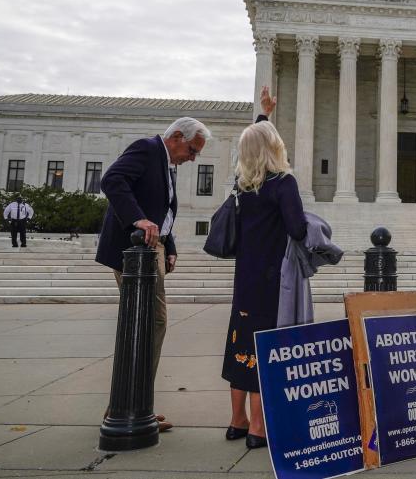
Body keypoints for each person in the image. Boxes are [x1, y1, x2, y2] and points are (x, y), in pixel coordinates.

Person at [96, 116, 210, 433]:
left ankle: (136, 404)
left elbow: (163, 210)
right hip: (132, 254)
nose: (193, 157)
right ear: (175, 136)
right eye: (192, 149)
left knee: (151, 324)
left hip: (151, 251)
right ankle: (127, 407)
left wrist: (168, 244)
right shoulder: (146, 149)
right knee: (148, 324)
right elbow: (112, 181)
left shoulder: (165, 163)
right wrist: (138, 221)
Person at [222, 89, 307, 450]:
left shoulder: (241, 185)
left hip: (245, 278)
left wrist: (263, 117)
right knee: (265, 348)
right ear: (276, 148)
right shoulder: (283, 184)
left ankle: (236, 420)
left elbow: (255, 145)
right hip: (273, 281)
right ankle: (259, 427)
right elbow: (298, 229)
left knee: (240, 344)